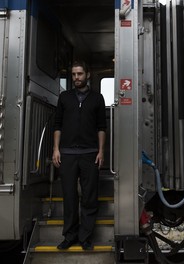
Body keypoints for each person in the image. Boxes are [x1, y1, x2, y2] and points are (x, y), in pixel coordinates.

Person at [52, 61, 107, 250]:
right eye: (74, 74)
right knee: (69, 196)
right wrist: (56, 149)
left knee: (89, 197)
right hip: (66, 154)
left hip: (90, 154)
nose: (76, 78)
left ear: (87, 75)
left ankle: (85, 237)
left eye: (80, 74)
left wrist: (101, 151)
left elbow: (101, 128)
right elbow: (57, 125)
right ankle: (70, 236)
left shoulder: (97, 98)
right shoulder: (64, 97)